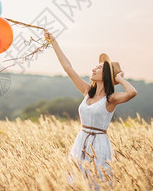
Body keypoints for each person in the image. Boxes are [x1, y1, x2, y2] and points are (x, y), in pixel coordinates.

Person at [44, 29, 138, 190]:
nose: (93, 69)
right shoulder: (88, 91)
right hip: (81, 140)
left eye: (99, 68)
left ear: (107, 75)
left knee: (96, 182)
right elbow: (68, 68)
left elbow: (132, 92)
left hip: (99, 144)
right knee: (76, 182)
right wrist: (54, 43)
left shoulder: (111, 99)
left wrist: (119, 78)